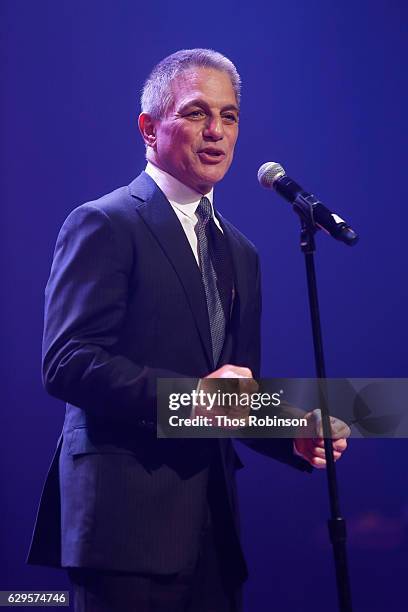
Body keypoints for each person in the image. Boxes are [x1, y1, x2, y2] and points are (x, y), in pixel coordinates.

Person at [27, 49, 349, 612]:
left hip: (213, 535)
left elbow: (235, 395)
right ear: (149, 129)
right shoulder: (105, 222)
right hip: (122, 532)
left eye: (229, 116)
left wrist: (291, 431)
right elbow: (68, 362)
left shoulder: (241, 252)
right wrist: (188, 399)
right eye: (197, 113)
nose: (217, 131)